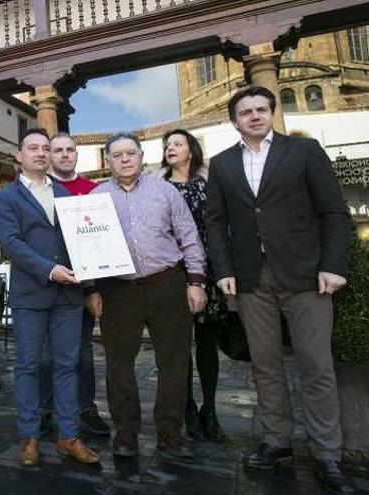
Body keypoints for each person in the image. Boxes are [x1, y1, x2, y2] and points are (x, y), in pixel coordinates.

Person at [205, 86, 355, 494]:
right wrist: (223, 271)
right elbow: (215, 223)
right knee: (266, 366)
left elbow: (333, 212)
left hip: (307, 276)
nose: (254, 115)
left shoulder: (303, 153)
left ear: (270, 113)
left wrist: (333, 266)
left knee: (316, 366)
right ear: (234, 120)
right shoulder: (222, 164)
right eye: (245, 111)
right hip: (252, 279)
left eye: (260, 109)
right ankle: (277, 442)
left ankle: (328, 454)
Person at [91, 133, 207, 461]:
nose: (125, 159)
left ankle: (170, 431)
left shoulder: (166, 191)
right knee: (118, 363)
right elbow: (84, 248)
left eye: (131, 153)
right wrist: (91, 289)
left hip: (168, 283)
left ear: (142, 157)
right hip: (118, 290)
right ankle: (125, 430)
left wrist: (195, 281)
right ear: (107, 160)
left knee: (174, 360)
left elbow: (189, 236)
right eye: (118, 155)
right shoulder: (96, 197)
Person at [0, 128, 100, 468]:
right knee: (28, 366)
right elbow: (11, 244)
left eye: (45, 148)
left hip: (69, 295)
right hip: (31, 295)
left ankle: (69, 437)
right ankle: (29, 438)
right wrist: (48, 270)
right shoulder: (5, 198)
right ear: (19, 155)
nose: (40, 153)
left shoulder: (69, 196)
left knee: (67, 365)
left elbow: (84, 240)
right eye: (33, 148)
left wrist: (91, 281)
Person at [38, 132, 111, 437]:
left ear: (77, 155)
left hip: (79, 287)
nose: (65, 155)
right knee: (45, 351)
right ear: (49, 155)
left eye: (70, 150)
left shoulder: (92, 191)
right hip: (44, 284)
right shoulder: (38, 190)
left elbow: (99, 242)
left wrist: (92, 288)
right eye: (58, 150)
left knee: (80, 350)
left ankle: (86, 408)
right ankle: (45, 409)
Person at [158, 128, 226, 442]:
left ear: (191, 149)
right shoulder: (159, 186)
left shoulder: (209, 183)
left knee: (207, 343)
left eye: (177, 143)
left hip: (209, 271)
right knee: (179, 345)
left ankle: (209, 408)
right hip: (174, 273)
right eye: (167, 144)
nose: (171, 148)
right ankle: (186, 408)